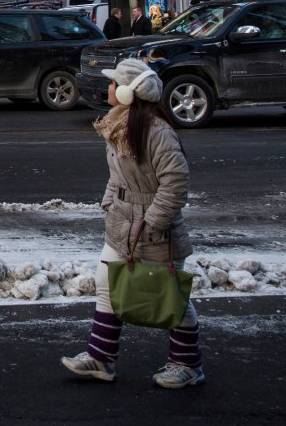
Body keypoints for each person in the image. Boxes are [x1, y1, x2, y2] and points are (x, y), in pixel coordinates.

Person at [61, 57, 203, 389]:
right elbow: (119, 175)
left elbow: (176, 182)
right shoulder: (119, 124)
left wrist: (154, 220)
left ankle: (188, 365)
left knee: (168, 295)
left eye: (113, 83)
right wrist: (110, 201)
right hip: (122, 221)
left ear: (127, 92)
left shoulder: (157, 131)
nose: (108, 87)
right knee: (106, 282)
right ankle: (101, 358)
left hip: (154, 228)